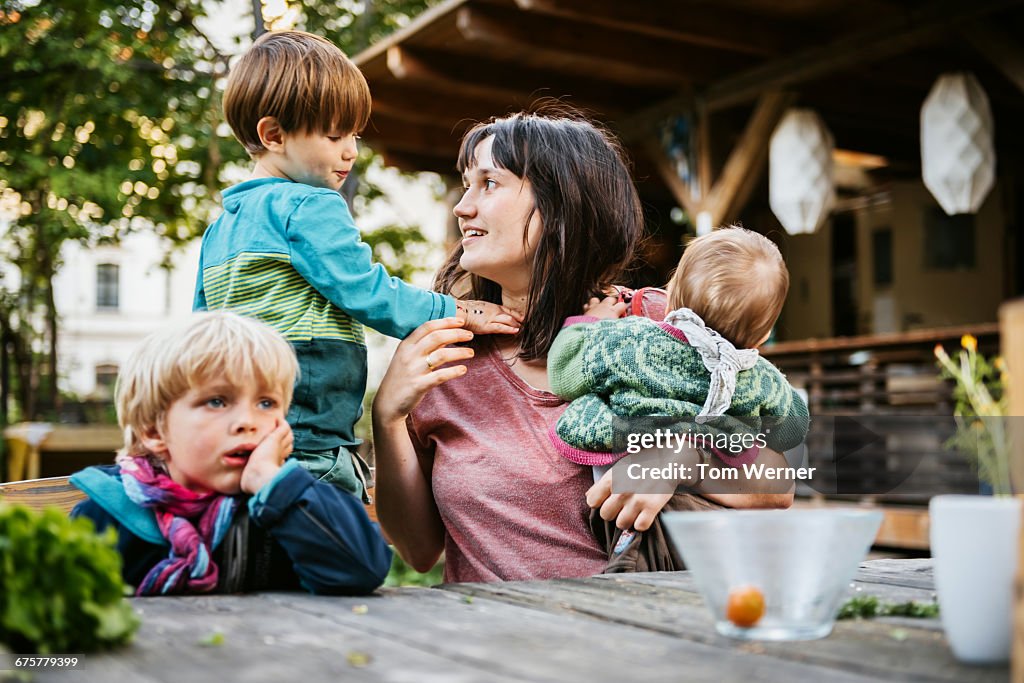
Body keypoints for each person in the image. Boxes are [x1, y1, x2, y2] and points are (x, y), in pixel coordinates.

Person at [372, 111, 794, 584]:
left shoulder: (661, 326)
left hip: (639, 638)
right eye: (466, 184)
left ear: (562, 204)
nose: (463, 206)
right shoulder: (447, 353)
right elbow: (418, 549)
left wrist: (680, 458)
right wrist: (387, 417)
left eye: (489, 183)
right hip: (489, 644)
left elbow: (777, 484)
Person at [193, 30, 518, 502]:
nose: (351, 150)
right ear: (273, 135)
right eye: (334, 135)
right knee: (333, 542)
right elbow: (366, 290)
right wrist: (456, 311)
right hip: (306, 435)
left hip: (241, 428)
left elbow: (200, 333)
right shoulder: (310, 205)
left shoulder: (222, 226)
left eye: (355, 135)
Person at [70, 312, 392, 596]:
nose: (247, 423)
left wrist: (272, 482)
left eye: (266, 403)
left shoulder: (285, 507)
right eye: (217, 401)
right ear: (155, 431)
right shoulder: (107, 517)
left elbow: (362, 569)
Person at [548, 225, 810, 472]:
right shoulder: (760, 379)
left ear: (669, 297)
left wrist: (592, 322)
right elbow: (793, 428)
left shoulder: (630, 339)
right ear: (764, 335)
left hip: (622, 457)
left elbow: (563, 371)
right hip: (706, 482)